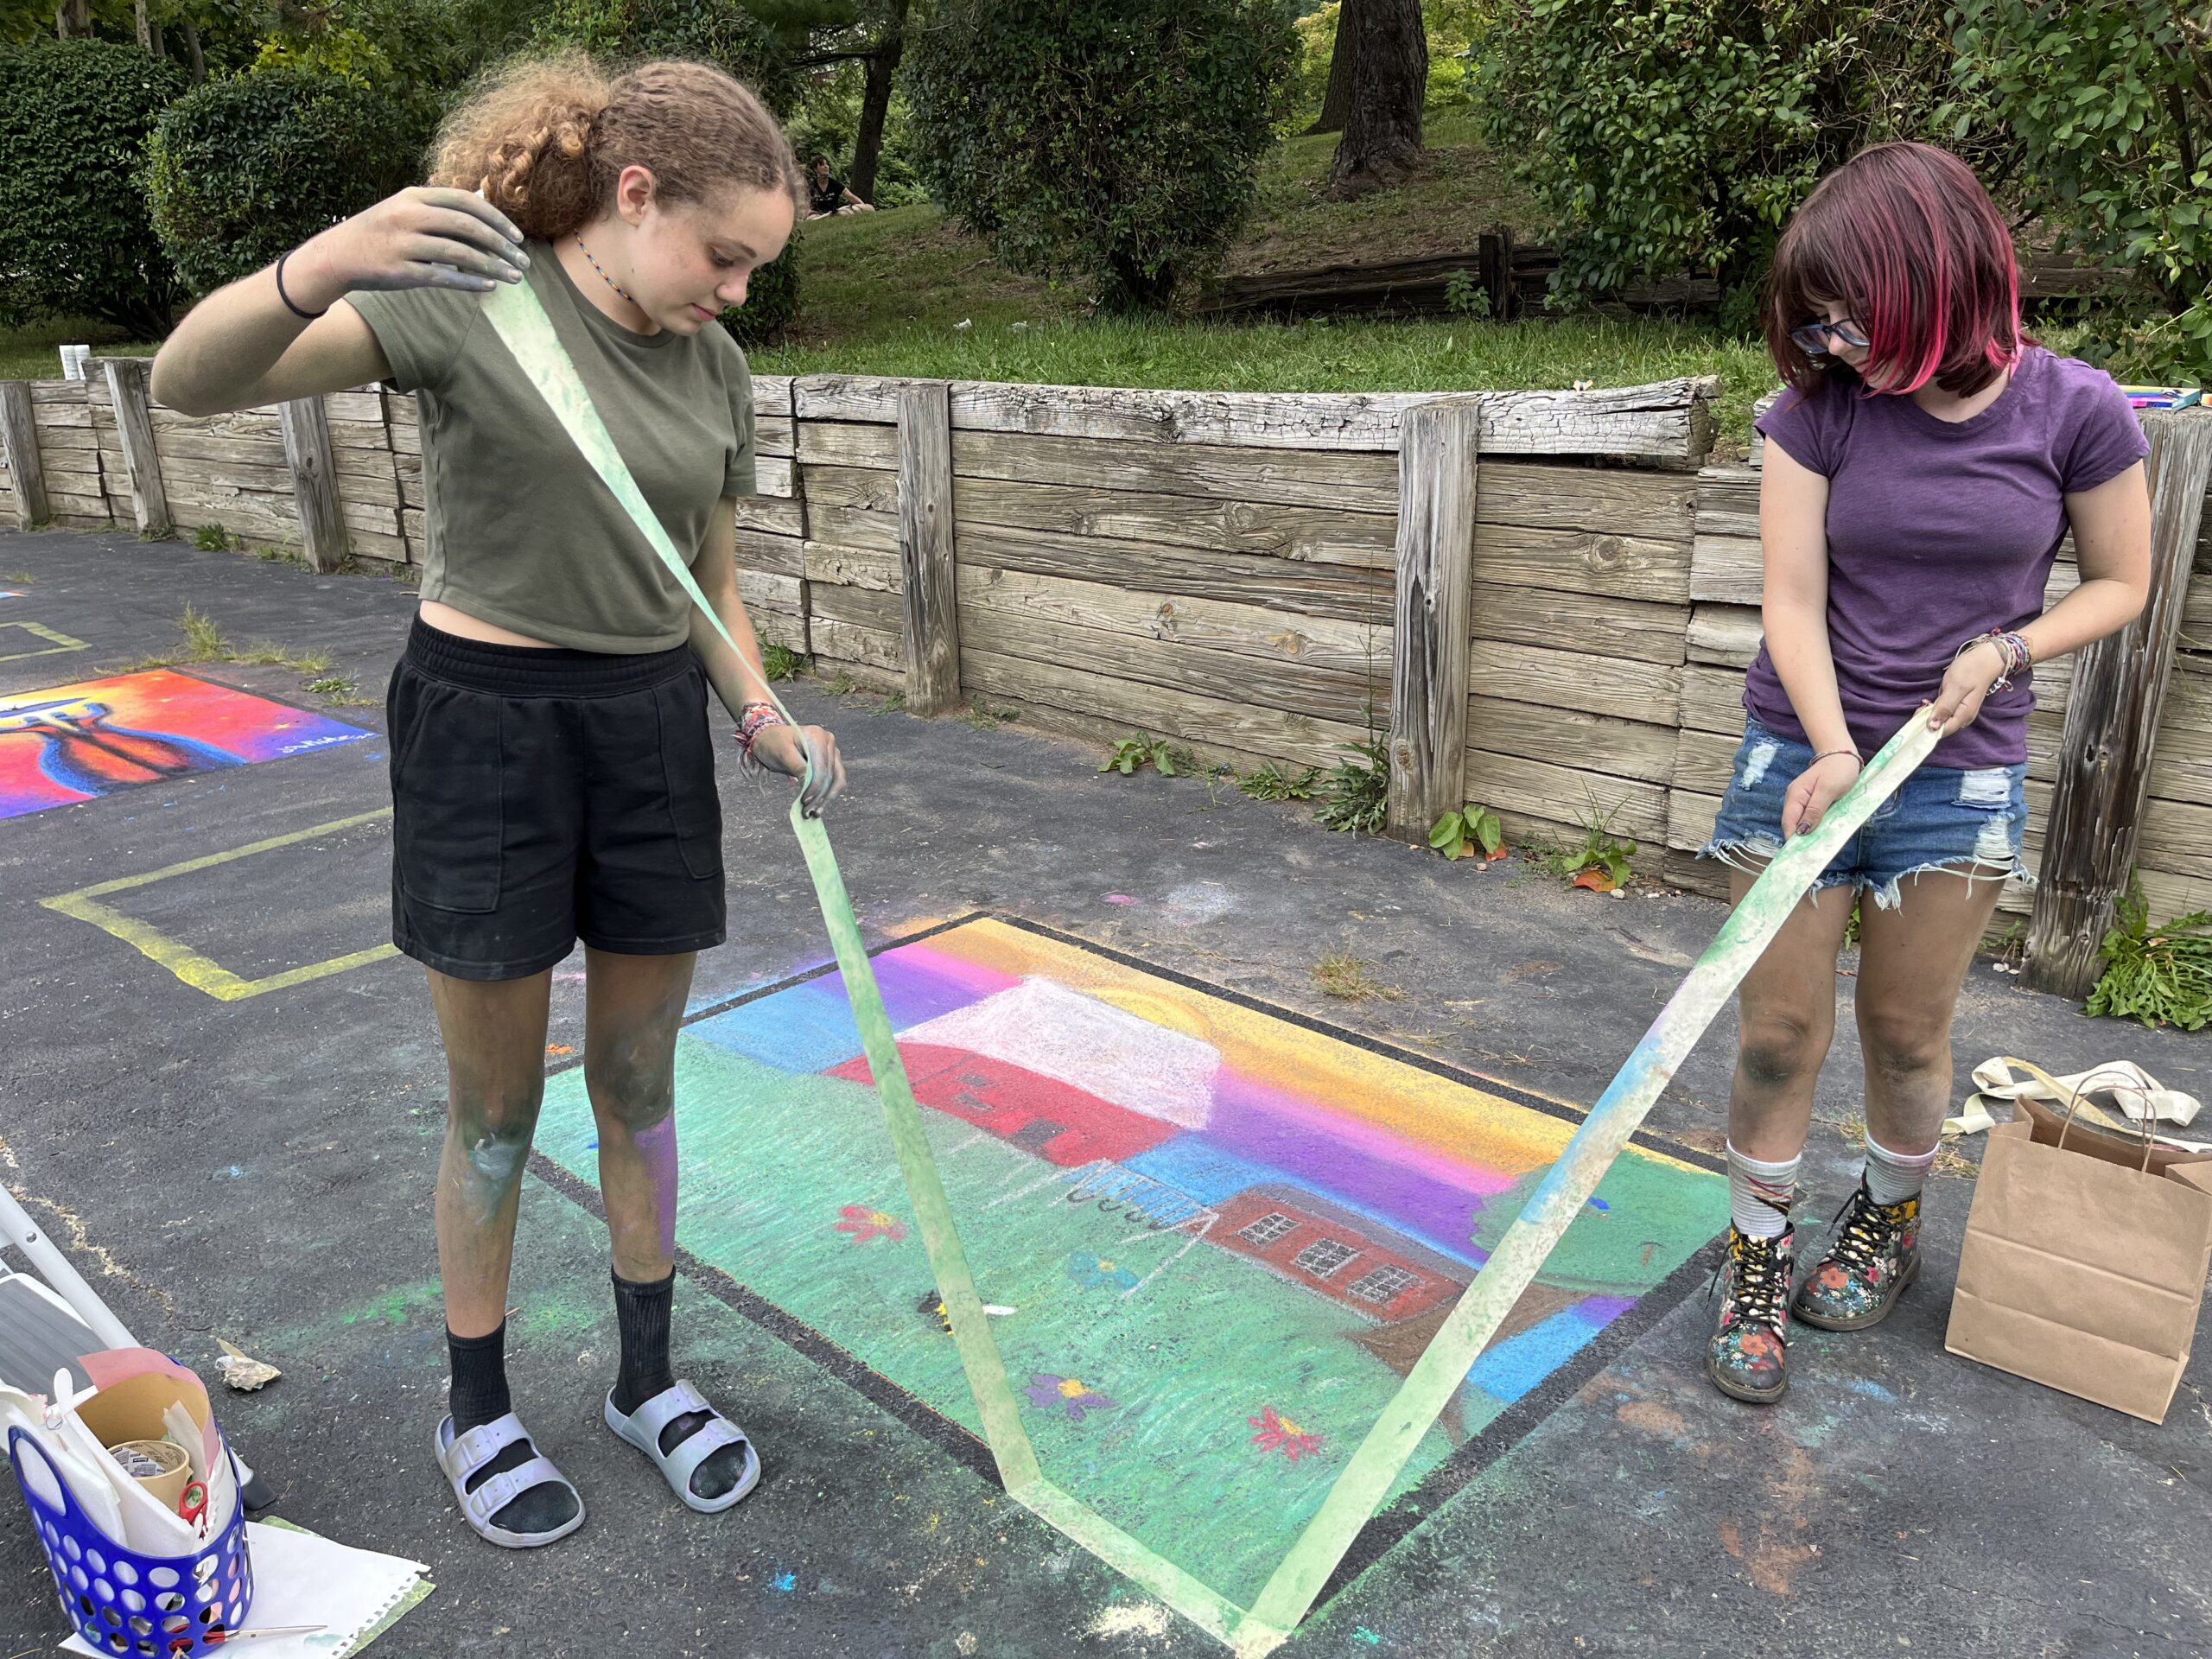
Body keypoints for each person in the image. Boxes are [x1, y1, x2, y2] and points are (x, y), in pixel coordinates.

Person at [151, 52, 849, 1543]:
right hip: (486, 735)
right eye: (723, 256)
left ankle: (646, 1383)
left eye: (754, 270)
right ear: (635, 194)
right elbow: (185, 383)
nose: (735, 292)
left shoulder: (713, 365)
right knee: (493, 1108)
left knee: (643, 1084)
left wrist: (760, 707)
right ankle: (477, 1410)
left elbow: (705, 582)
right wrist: (321, 263)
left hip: (652, 726)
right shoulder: (472, 298)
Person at [1699, 141, 2152, 1404]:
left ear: (1932, 282)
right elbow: (1792, 600)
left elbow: (2124, 582)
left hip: (1959, 775)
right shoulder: (1817, 413)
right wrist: (1836, 745)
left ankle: (1889, 1220)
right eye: (1817, 321)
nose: (1832, 343)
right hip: (1800, 750)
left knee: (1908, 1032)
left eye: (1850, 316)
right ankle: (1755, 1248)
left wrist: (2010, 648)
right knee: (1781, 1033)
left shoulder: (2077, 409)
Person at [805, 154, 874, 219]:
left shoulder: (835, 184)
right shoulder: (811, 186)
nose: (826, 167)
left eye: (827, 165)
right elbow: (804, 204)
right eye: (822, 165)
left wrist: (863, 206)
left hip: (834, 213)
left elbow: (851, 197)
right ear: (815, 169)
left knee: (844, 214)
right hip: (818, 215)